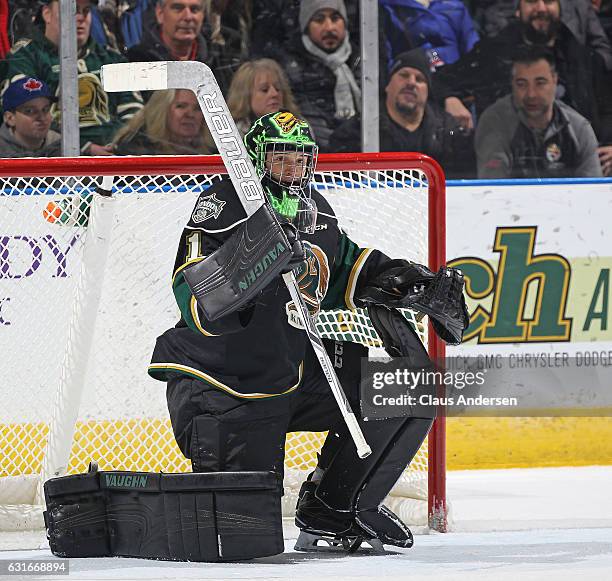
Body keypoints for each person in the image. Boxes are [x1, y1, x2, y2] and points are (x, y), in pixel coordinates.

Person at [147, 110, 468, 551]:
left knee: (409, 389)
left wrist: (414, 285)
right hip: (224, 383)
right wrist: (257, 258)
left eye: (301, 160)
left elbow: (349, 270)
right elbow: (197, 299)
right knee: (243, 541)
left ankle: (337, 508)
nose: (293, 170)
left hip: (291, 367)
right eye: (282, 159)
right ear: (258, 159)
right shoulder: (226, 202)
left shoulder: (315, 210)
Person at [434, 0, 612, 143]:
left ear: (560, 9)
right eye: (532, 1)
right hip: (508, 163)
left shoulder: (585, 59)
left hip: (578, 165)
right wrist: (450, 98)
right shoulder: (492, 53)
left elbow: (607, 109)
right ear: (518, 9)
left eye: (549, 1)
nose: (541, 8)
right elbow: (441, 80)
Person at [2, 0, 143, 155]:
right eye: (72, 10)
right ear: (47, 14)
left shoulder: (111, 58)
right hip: (53, 161)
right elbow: (28, 118)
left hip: (114, 157)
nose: (80, 17)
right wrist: (83, 148)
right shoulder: (26, 57)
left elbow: (134, 113)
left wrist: (119, 145)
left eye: (86, 11)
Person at [329, 49, 475, 178]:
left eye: (420, 79)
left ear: (428, 91)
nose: (411, 83)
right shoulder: (357, 131)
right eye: (404, 75)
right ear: (387, 86)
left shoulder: (449, 133)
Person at [475, 47, 602, 178]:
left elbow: (591, 191)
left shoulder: (578, 129)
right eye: (521, 84)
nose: (531, 94)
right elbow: (493, 189)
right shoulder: (495, 122)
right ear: (512, 84)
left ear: (555, 81)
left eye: (540, 83)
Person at [279, 0, 361, 151]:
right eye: (319, 19)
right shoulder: (286, 66)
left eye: (335, 18)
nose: (329, 27)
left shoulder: (363, 59)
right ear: (306, 25)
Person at [126, 0, 232, 97]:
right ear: (160, 13)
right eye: (178, 8)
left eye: (194, 9)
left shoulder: (220, 59)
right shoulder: (137, 60)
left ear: (203, 15)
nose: (188, 17)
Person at [379, 0, 479, 72]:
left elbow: (473, 49)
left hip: (451, 79)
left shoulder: (455, 7)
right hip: (412, 75)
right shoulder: (389, 7)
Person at [112, 88, 212, 155]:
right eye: (181, 106)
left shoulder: (215, 154)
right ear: (161, 111)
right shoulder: (137, 150)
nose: (190, 114)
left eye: (197, 108)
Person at [226, 58, 301, 137]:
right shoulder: (233, 135)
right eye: (264, 90)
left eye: (278, 88)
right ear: (245, 96)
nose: (274, 94)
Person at [0, 77, 61, 157]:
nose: (41, 118)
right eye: (30, 111)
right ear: (10, 118)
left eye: (45, 109)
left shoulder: (63, 146)